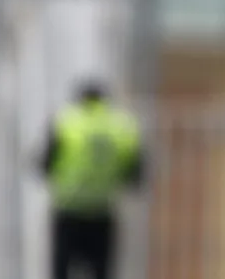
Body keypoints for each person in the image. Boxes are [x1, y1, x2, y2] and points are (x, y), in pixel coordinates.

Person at [39, 79, 145, 279]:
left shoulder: (65, 121)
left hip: (68, 209)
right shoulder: (122, 126)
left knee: (61, 270)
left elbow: (45, 165)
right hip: (102, 210)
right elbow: (136, 174)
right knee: (101, 271)